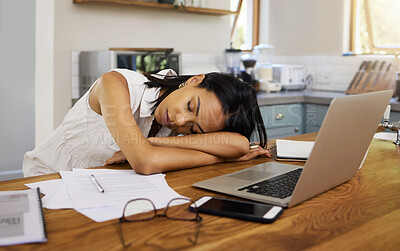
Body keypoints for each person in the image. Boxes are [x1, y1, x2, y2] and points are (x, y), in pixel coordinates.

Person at [23, 69, 271, 177]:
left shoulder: (174, 120)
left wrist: (150, 142)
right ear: (195, 80)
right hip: (47, 182)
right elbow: (145, 162)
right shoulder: (115, 85)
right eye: (190, 107)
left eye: (194, 130)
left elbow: (238, 143)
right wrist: (222, 157)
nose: (179, 122)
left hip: (98, 189)